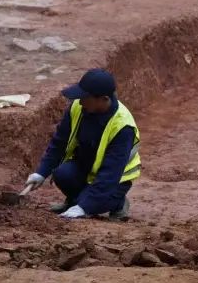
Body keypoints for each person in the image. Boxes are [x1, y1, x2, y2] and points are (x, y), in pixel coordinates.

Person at [23, 69, 140, 220]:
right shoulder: (78, 107)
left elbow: (110, 174)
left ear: (103, 99)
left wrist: (84, 207)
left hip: (115, 180)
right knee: (62, 174)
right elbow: (59, 143)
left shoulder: (123, 127)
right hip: (86, 169)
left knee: (96, 202)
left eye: (85, 97)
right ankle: (76, 200)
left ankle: (118, 203)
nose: (80, 100)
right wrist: (41, 172)